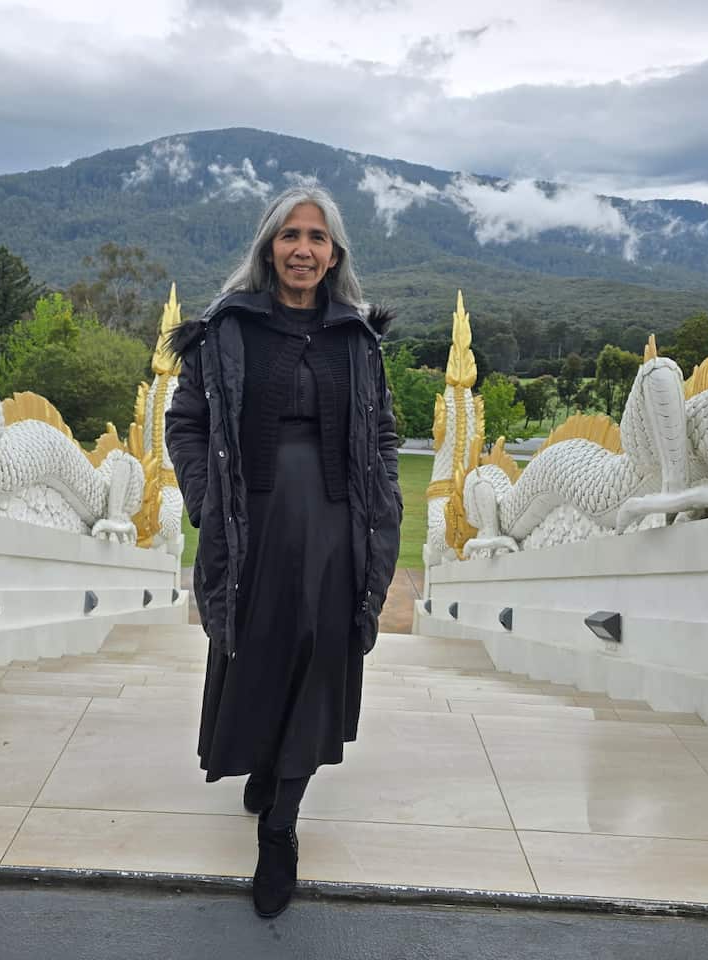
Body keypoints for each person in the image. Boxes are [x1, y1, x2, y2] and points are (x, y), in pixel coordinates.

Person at [165, 186, 402, 918]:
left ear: (335, 255)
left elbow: (384, 434)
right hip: (253, 525)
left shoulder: (357, 338)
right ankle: (264, 764)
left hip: (337, 525)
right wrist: (207, 500)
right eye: (290, 235)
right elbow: (187, 423)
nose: (303, 248)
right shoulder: (229, 330)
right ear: (269, 247)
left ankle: (279, 827)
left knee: (319, 657)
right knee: (261, 651)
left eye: (317, 237)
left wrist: (384, 497)